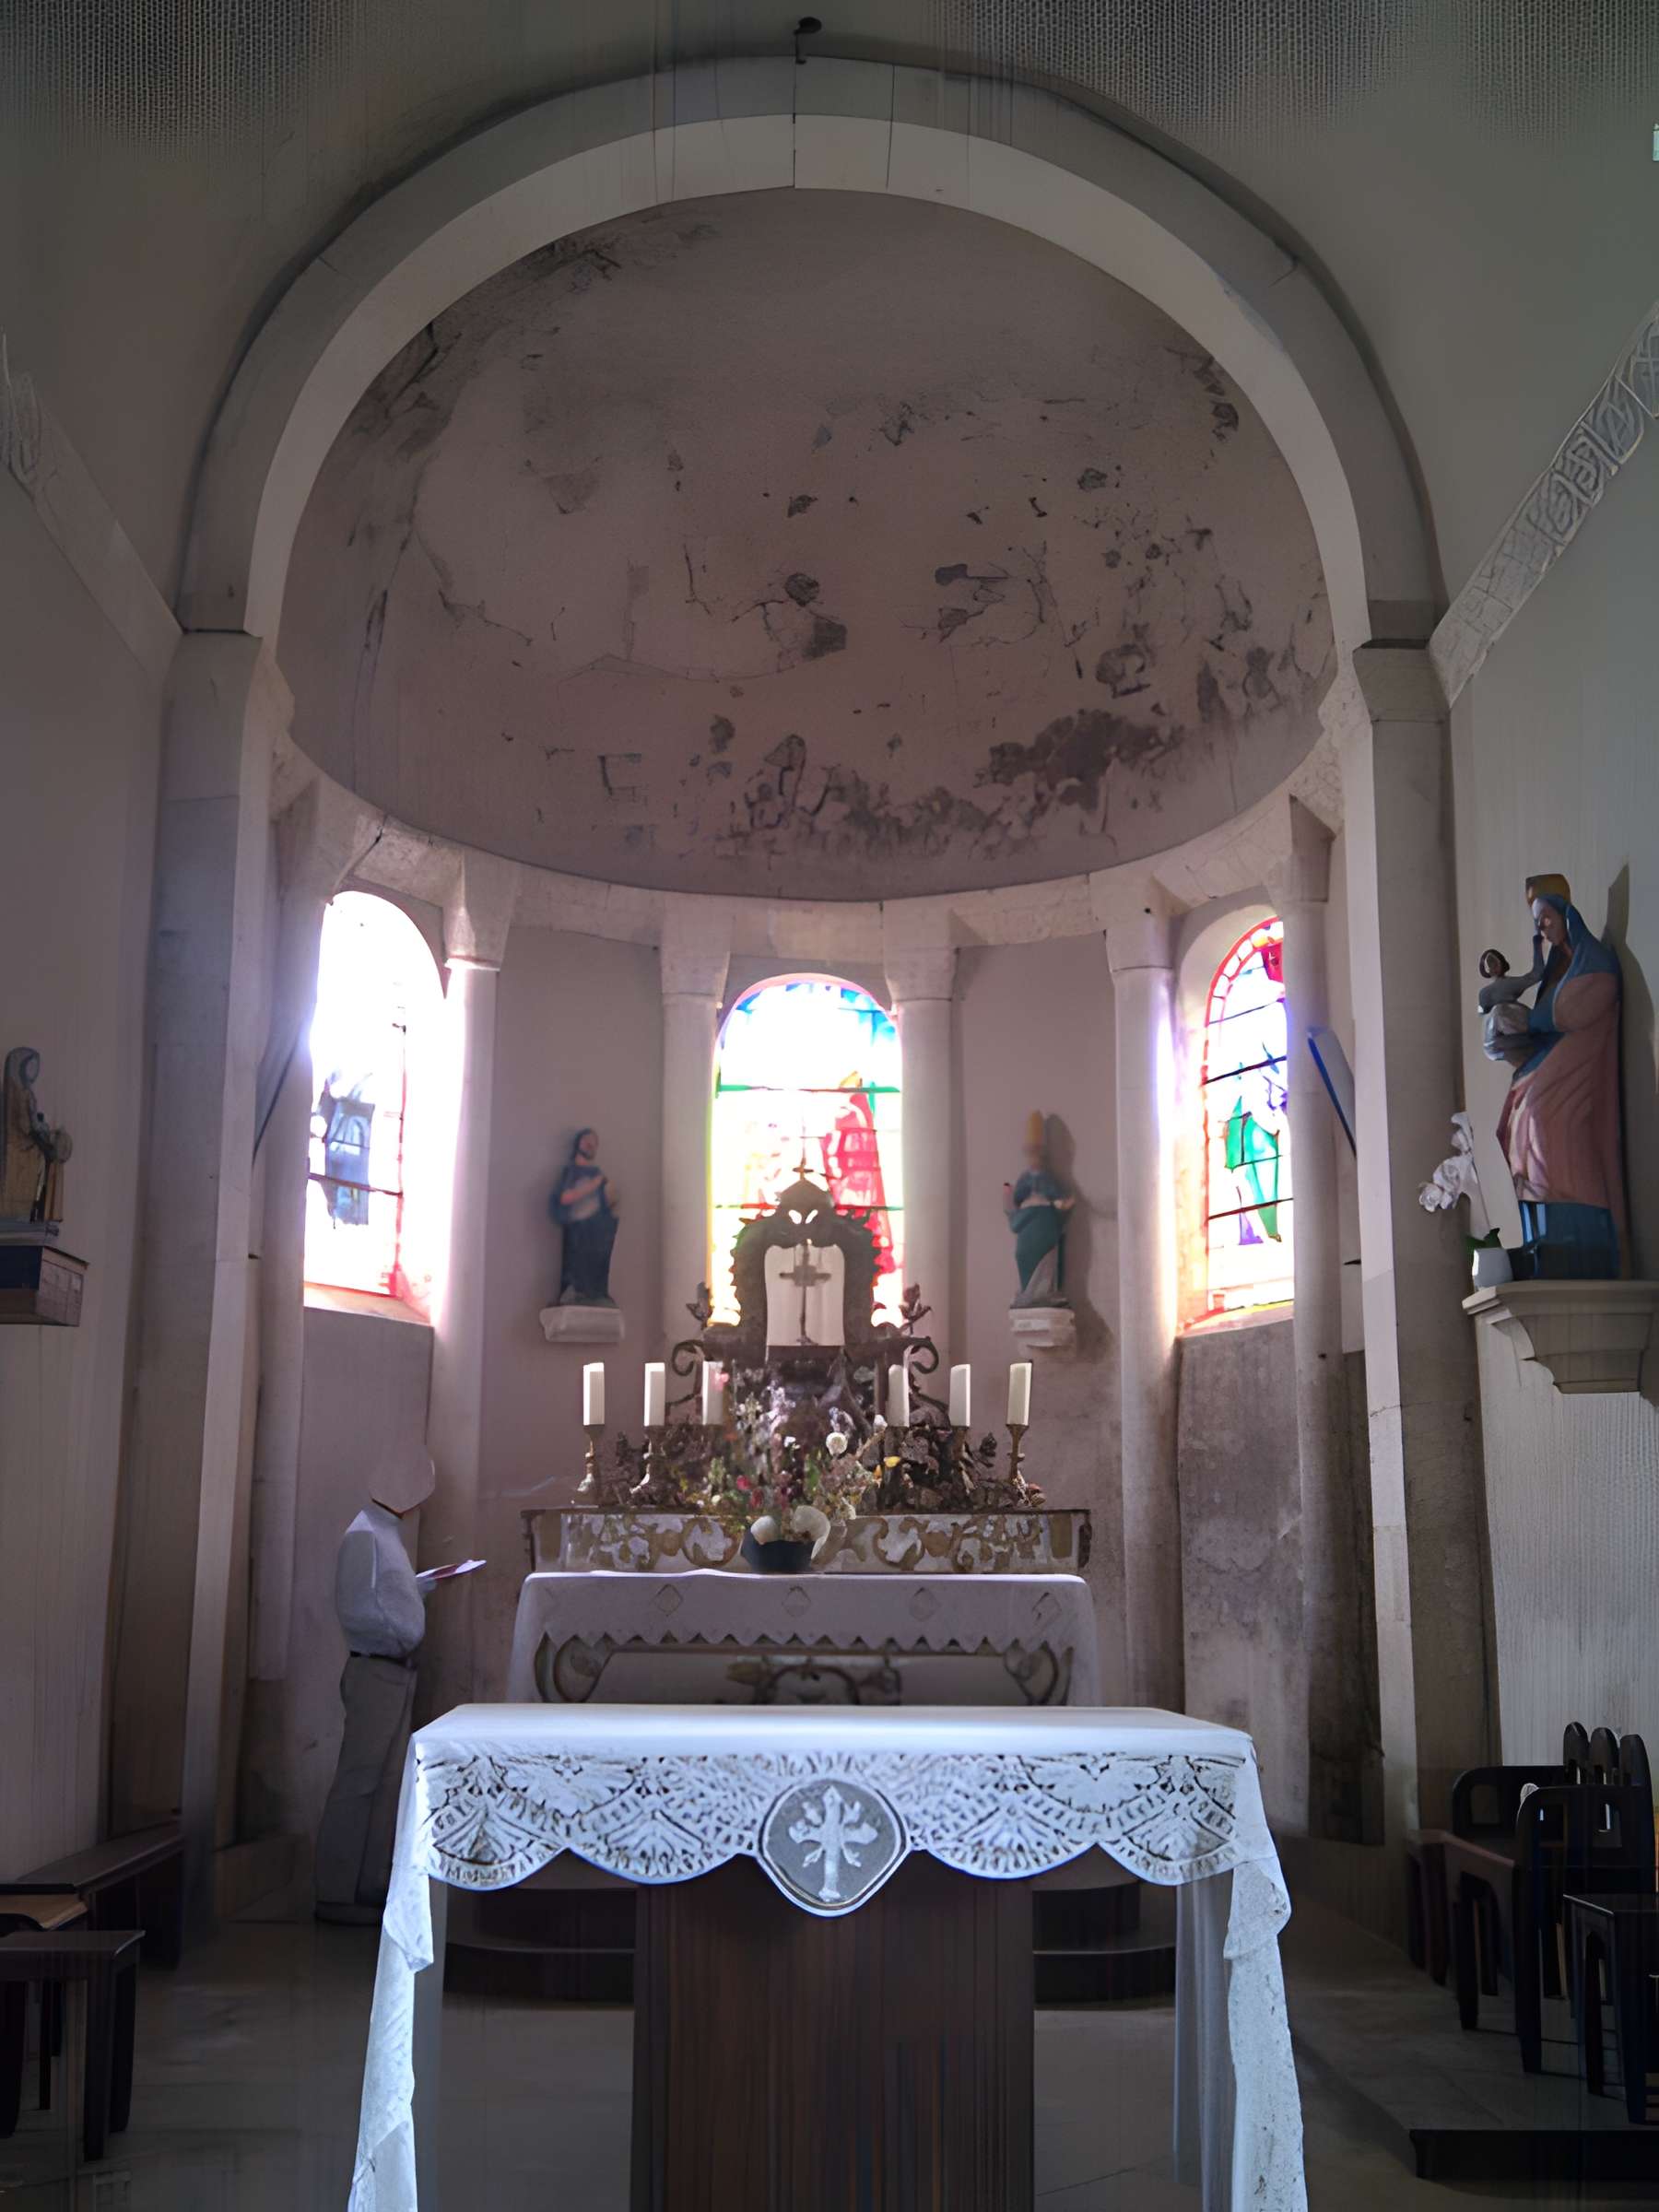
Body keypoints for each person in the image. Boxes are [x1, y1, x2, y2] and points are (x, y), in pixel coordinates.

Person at [314, 1453, 471, 1923]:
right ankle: (335, 1893)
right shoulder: (365, 1535)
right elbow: (358, 1607)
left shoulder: (384, 1532)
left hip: (394, 1669)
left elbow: (384, 1594)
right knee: (358, 1781)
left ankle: (369, 1886)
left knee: (383, 1785)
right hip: (377, 1669)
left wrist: (419, 1587)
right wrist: (406, 1632)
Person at [1495, 874, 1626, 1278]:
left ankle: (1582, 1237)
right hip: (1550, 1069)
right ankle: (1546, 1239)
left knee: (1544, 1123)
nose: (1542, 927)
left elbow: (1574, 1010)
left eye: (1546, 917)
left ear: (1567, 914)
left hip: (1577, 1073)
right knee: (1518, 1124)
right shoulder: (1555, 970)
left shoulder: (1595, 964)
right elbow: (1542, 1027)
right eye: (1538, 922)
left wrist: (1529, 1020)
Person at [1003, 1110, 1076, 1307]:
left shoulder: (1048, 1179)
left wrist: (1062, 1203)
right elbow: (1015, 1200)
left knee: (1048, 1257)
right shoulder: (1024, 1179)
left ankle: (1044, 1292)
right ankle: (1028, 1292)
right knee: (1022, 1254)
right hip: (1027, 1223)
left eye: (1037, 1152)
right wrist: (1009, 1198)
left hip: (1044, 1222)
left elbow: (1060, 1199)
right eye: (1030, 1152)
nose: (1033, 1157)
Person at [549, 1126, 620, 1304]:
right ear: (578, 1144)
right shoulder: (572, 1171)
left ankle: (597, 1292)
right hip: (579, 1226)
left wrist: (610, 1196)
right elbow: (565, 1198)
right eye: (587, 1140)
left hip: (598, 1227)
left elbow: (607, 1202)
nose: (590, 1145)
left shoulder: (597, 1174)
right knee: (577, 1261)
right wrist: (594, 1185)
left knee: (599, 1257)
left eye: (594, 1143)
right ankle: (574, 1290)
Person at [1477, 945, 1546, 1067]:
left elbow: (1537, 974)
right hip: (1497, 1038)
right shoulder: (1487, 993)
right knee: (1499, 1012)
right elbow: (1537, 974)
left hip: (1500, 1037)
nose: (1493, 967)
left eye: (1494, 963)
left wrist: (1538, 945)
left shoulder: (1506, 985)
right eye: (1490, 964)